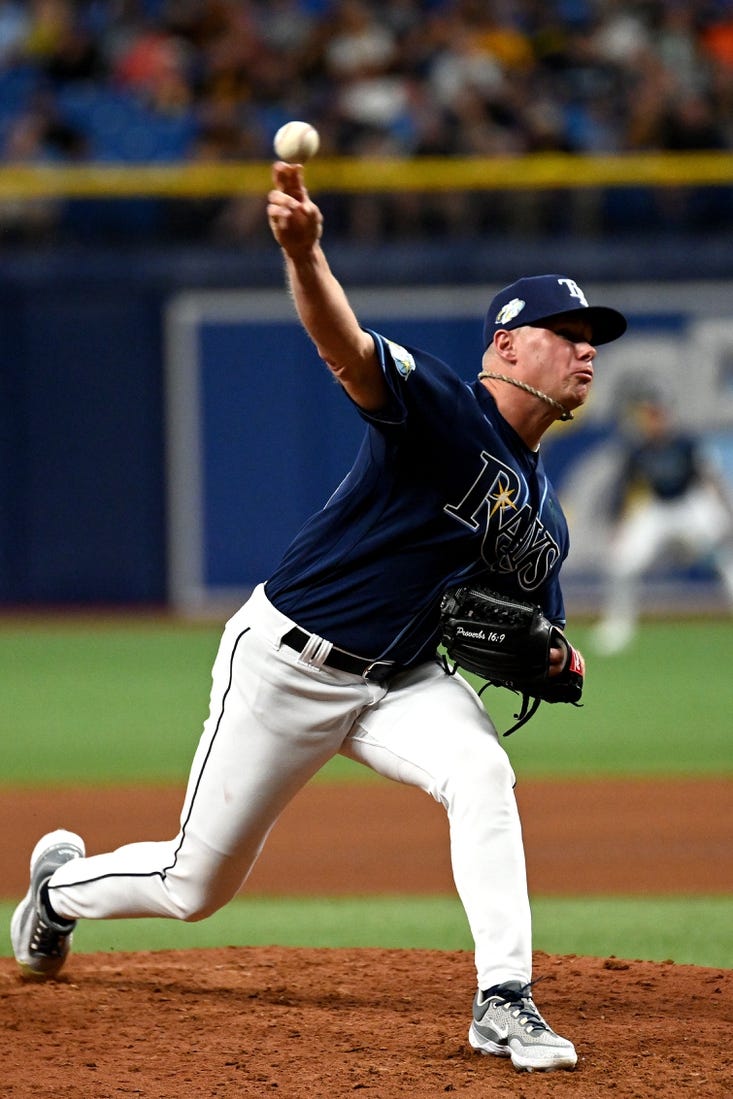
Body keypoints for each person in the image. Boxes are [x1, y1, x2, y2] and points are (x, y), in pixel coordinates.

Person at [11, 161, 627, 1075]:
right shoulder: (443, 411)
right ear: (503, 347)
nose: (585, 351)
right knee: (195, 886)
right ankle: (58, 893)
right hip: (287, 664)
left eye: (592, 340)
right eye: (563, 333)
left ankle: (504, 999)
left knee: (483, 774)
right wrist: (304, 254)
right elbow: (345, 348)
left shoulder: (546, 513)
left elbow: (542, 632)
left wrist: (559, 663)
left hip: (406, 682)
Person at [592, 389, 733, 655]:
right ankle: (619, 626)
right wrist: (618, 525)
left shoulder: (686, 444)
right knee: (621, 561)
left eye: (658, 414)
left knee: (727, 554)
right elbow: (624, 489)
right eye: (650, 415)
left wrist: (724, 515)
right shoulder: (638, 449)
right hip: (658, 509)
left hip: (690, 505)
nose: (655, 420)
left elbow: (711, 480)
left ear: (668, 416)